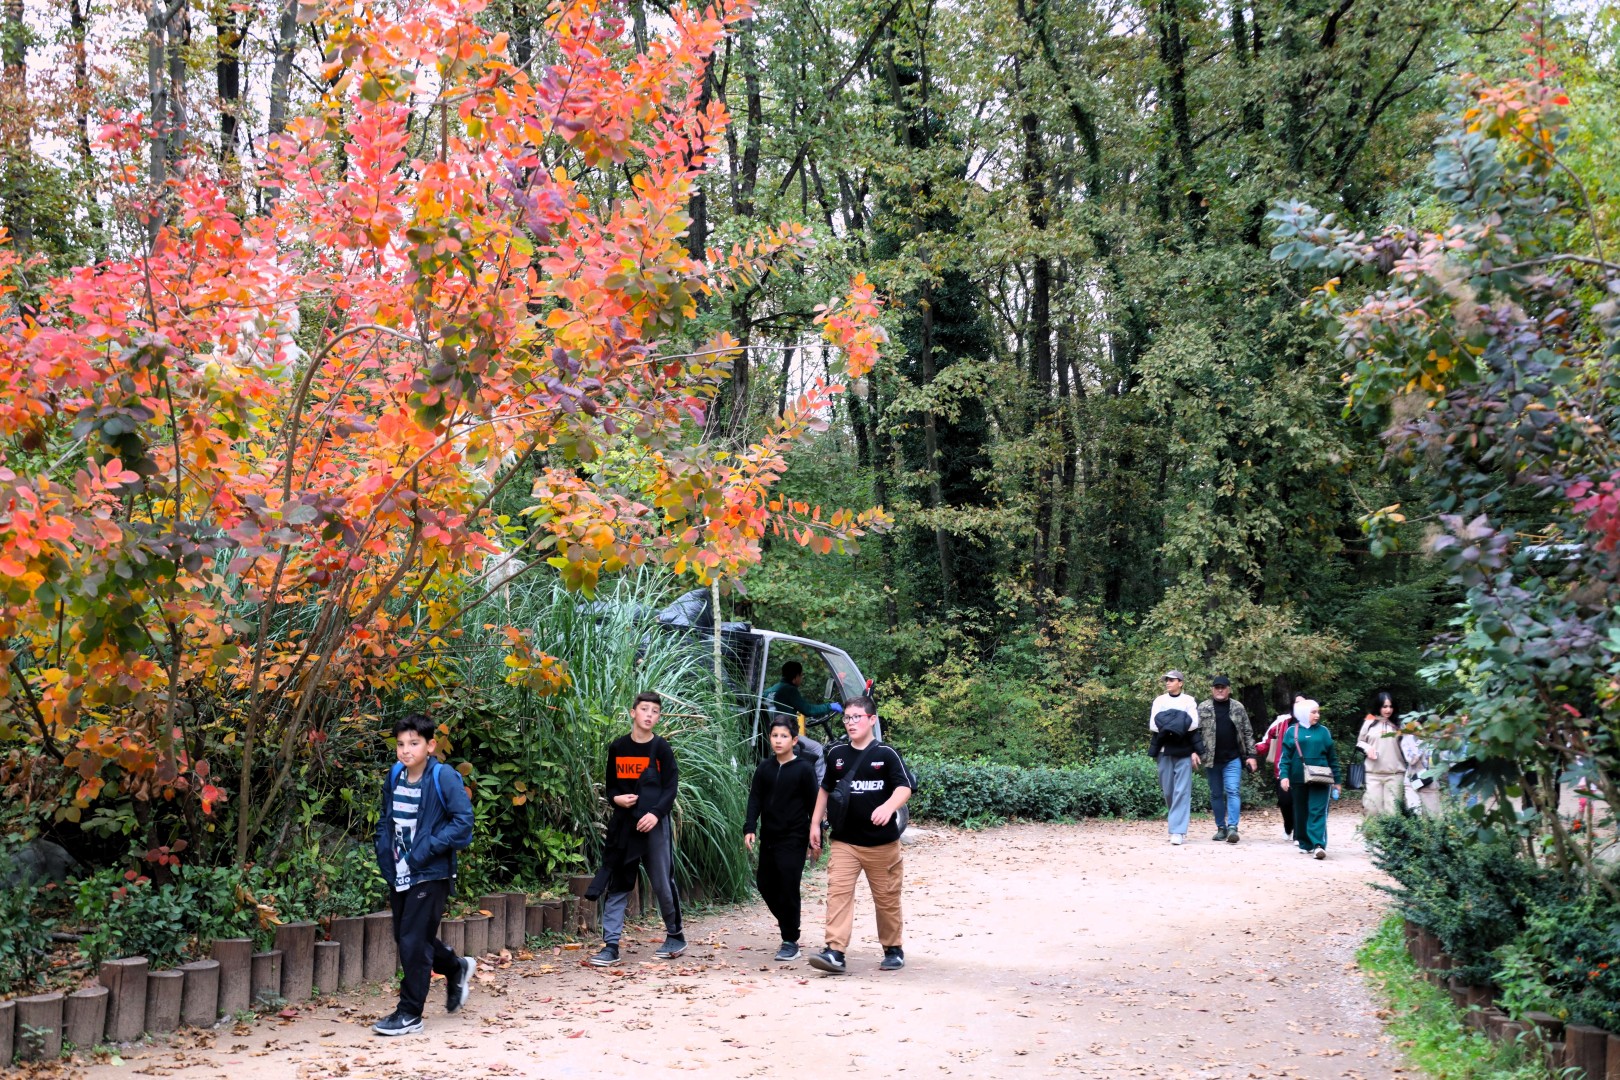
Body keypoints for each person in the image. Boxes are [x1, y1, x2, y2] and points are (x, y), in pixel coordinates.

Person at [372, 713, 476, 1036]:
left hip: (431, 871)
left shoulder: (443, 777)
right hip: (400, 871)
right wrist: (384, 854)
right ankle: (455, 967)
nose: (406, 750)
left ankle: (409, 1013)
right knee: (410, 937)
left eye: (414, 743)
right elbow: (386, 820)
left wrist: (426, 849)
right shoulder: (395, 776)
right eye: (401, 744)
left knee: (413, 940)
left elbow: (464, 824)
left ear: (430, 746)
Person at [807, 696, 913, 975]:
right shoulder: (837, 754)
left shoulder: (887, 754)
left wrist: (889, 806)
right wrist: (815, 823)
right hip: (845, 841)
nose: (851, 722)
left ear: (872, 720)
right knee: (838, 894)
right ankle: (835, 952)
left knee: (887, 898)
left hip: (881, 844)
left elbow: (905, 788)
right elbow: (825, 789)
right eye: (847, 718)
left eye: (857, 717)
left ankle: (893, 948)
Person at [589, 691, 686, 967]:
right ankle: (610, 945)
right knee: (619, 883)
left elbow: (670, 788)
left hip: (654, 826)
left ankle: (675, 935)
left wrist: (656, 815)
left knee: (661, 882)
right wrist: (616, 798)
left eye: (655, 711)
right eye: (644, 709)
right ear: (633, 712)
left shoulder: (661, 749)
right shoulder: (617, 747)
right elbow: (611, 786)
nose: (649, 715)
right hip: (624, 826)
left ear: (658, 717)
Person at [744, 717, 819, 961]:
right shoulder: (764, 768)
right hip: (770, 837)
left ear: (794, 740)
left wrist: (815, 835)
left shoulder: (804, 769)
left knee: (788, 886)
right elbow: (755, 799)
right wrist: (750, 827)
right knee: (765, 884)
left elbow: (814, 803)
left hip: (795, 837)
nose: (778, 740)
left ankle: (790, 939)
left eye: (784, 736)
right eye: (775, 735)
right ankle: (789, 923)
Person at [1278, 698, 1341, 859]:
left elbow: (1333, 758)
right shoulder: (1292, 731)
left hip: (1321, 777)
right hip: (1298, 779)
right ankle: (1305, 842)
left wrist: (1338, 781)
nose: (1317, 715)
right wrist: (1284, 776)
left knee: (1317, 810)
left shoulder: (1324, 732)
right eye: (1313, 712)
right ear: (1304, 713)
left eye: (1318, 711)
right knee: (1301, 811)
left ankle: (1318, 844)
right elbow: (1285, 758)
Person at [1148, 670, 1205, 846]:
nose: (1168, 682)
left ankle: (1177, 830)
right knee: (1168, 790)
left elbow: (1194, 723)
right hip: (1164, 750)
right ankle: (1176, 821)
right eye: (1166, 680)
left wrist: (1167, 721)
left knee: (1182, 790)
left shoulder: (1188, 701)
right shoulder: (1160, 700)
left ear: (1180, 682)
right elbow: (1153, 725)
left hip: (1184, 750)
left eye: (1171, 680)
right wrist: (1179, 721)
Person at [1198, 675, 1257, 843]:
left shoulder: (1238, 707)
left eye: (1223, 687)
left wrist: (1251, 755)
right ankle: (1221, 828)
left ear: (1229, 689)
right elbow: (1195, 733)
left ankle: (1232, 827)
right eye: (1217, 687)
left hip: (1233, 758)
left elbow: (1247, 732)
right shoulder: (1203, 707)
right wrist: (1194, 752)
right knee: (1216, 794)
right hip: (1211, 759)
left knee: (1233, 790)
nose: (1220, 690)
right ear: (1212, 689)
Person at [1356, 692, 1406, 816]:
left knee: (1393, 813)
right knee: (1372, 810)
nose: (1388, 710)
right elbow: (1360, 742)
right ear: (1378, 706)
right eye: (1384, 706)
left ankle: (1391, 836)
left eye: (1390, 706)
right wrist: (1367, 748)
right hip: (1373, 774)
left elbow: (1408, 747)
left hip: (1395, 774)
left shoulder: (1399, 725)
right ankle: (1372, 835)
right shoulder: (1369, 722)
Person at [1254, 710, 1297, 840]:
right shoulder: (1283, 721)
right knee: (1285, 801)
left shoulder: (1312, 723)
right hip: (1282, 769)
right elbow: (1267, 740)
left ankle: (1299, 834)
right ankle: (1288, 827)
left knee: (1300, 802)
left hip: (1303, 771)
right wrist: (1252, 751)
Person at [764, 660, 844, 726]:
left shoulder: (769, 690)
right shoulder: (789, 690)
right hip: (785, 734)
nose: (801, 679)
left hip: (771, 734)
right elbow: (808, 710)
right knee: (816, 746)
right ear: (796, 677)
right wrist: (829, 706)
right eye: (801, 676)